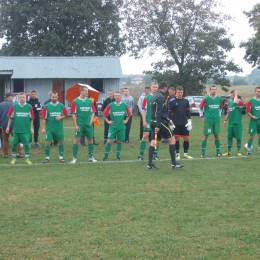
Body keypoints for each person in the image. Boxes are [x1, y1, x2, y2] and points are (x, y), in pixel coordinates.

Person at [147, 81, 184, 170]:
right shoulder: (161, 97)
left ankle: (150, 164)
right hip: (159, 123)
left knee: (153, 142)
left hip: (152, 122)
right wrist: (158, 125)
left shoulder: (154, 96)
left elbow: (159, 112)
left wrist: (168, 120)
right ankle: (174, 163)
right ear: (165, 88)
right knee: (172, 140)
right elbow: (158, 112)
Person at [70, 85, 97, 163]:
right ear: (81, 91)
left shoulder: (90, 101)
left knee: (90, 139)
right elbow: (73, 114)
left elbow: (93, 112)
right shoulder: (75, 101)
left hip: (88, 123)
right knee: (77, 140)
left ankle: (91, 157)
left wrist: (91, 121)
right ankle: (74, 158)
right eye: (86, 91)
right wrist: (76, 125)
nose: (87, 92)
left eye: (87, 91)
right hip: (80, 123)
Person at [102, 91, 131, 161]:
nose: (117, 97)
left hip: (121, 127)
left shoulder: (124, 105)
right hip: (112, 127)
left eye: (118, 95)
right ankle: (105, 157)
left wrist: (126, 120)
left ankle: (117, 157)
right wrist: (108, 121)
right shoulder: (110, 105)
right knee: (109, 141)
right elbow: (103, 114)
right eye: (116, 96)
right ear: (114, 97)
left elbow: (129, 114)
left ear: (121, 96)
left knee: (119, 141)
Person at [6, 92, 34, 164]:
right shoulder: (14, 106)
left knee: (26, 144)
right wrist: (8, 127)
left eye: (23, 97)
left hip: (26, 130)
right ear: (18, 98)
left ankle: (27, 158)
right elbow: (10, 118)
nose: (22, 98)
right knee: (14, 144)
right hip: (16, 130)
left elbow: (31, 119)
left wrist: (31, 128)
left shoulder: (29, 107)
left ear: (25, 98)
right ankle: (13, 158)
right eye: (20, 97)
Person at [41, 91, 68, 163]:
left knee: (61, 142)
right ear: (50, 97)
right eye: (53, 97)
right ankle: (47, 158)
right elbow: (43, 118)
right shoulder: (46, 106)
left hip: (59, 128)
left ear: (57, 97)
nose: (54, 98)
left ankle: (61, 157)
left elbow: (66, 115)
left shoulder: (61, 106)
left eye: (56, 97)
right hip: (50, 128)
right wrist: (43, 128)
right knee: (48, 142)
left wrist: (61, 117)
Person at [168, 86, 193, 159]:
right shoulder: (172, 102)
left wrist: (189, 121)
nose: (180, 94)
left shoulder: (186, 101)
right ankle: (177, 154)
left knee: (186, 138)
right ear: (176, 92)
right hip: (176, 123)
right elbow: (170, 113)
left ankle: (185, 154)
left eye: (181, 92)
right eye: (178, 92)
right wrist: (170, 122)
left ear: (183, 92)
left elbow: (188, 111)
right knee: (176, 138)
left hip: (184, 123)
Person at [138, 82, 159, 161]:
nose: (155, 88)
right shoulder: (146, 98)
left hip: (156, 121)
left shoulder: (159, 97)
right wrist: (144, 121)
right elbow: (143, 110)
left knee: (156, 138)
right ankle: (140, 155)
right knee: (145, 136)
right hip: (148, 120)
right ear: (150, 87)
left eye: (156, 87)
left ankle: (155, 155)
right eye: (153, 86)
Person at [199, 85, 222, 158]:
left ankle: (218, 152)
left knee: (217, 136)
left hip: (216, 120)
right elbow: (200, 108)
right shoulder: (206, 99)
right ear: (210, 90)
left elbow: (221, 108)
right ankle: (202, 153)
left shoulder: (219, 99)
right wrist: (202, 117)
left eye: (215, 89)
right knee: (206, 136)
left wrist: (219, 116)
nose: (214, 90)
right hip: (208, 120)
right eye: (212, 89)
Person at [0, 93, 23, 158]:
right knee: (17, 139)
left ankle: (6, 154)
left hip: (4, 125)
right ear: (10, 97)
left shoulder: (0, 105)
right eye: (12, 97)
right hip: (14, 125)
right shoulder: (15, 105)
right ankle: (18, 153)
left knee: (5, 140)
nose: (13, 98)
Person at [222, 90, 244, 156]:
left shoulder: (240, 102)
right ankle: (228, 151)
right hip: (230, 123)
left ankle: (238, 151)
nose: (230, 96)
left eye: (232, 95)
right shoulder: (230, 102)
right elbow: (229, 112)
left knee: (238, 137)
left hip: (237, 123)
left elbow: (235, 101)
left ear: (235, 95)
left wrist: (236, 95)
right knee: (229, 137)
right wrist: (225, 120)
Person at [245, 86, 260, 155]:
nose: (259, 93)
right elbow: (247, 111)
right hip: (254, 121)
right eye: (258, 91)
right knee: (252, 136)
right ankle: (249, 150)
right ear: (255, 92)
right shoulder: (251, 101)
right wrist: (252, 116)